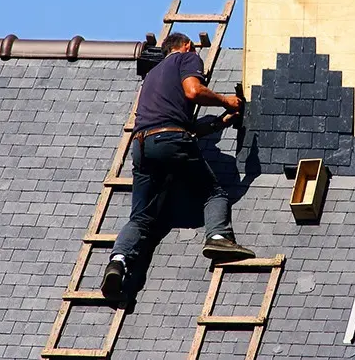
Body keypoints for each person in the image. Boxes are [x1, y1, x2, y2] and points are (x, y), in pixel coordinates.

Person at [101, 32, 255, 300]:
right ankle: (218, 238)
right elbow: (193, 91)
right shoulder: (187, 57)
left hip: (141, 145)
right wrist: (226, 100)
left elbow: (183, 126)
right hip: (169, 139)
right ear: (186, 45)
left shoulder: (151, 76)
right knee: (214, 193)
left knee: (141, 216)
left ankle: (118, 261)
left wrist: (222, 121)